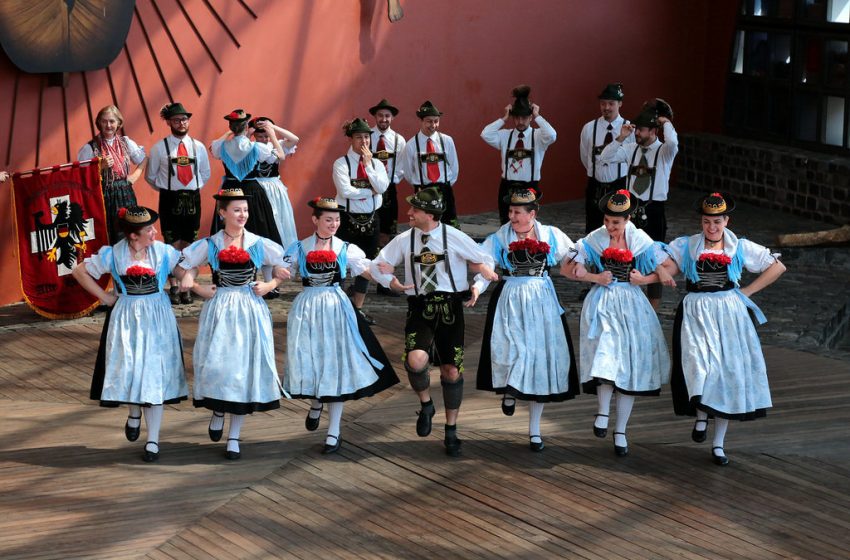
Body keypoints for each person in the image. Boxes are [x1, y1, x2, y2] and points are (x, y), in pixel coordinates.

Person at [370, 187, 497, 457]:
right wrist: (391, 281)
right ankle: (426, 405)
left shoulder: (454, 237)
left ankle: (451, 430)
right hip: (420, 306)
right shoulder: (405, 239)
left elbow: (485, 262)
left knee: (451, 370)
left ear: (429, 214)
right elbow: (377, 265)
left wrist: (477, 287)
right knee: (416, 360)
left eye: (414, 210)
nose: (409, 213)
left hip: (450, 307)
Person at [663, 192, 786, 466]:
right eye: (707, 222)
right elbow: (667, 266)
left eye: (717, 222)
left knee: (726, 372)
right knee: (698, 364)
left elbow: (777, 266)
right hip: (696, 311)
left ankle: (718, 444)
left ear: (726, 221)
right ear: (701, 221)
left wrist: (748, 291)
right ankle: (701, 415)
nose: (712, 228)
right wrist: (659, 272)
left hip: (729, 313)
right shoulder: (688, 245)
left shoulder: (738, 246)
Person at [278, 197, 399, 454]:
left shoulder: (346, 248)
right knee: (311, 360)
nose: (334, 224)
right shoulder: (299, 247)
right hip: (308, 308)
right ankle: (316, 401)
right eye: (328, 219)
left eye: (337, 219)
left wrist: (391, 282)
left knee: (336, 366)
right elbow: (281, 270)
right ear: (315, 220)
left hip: (336, 306)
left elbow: (367, 270)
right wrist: (271, 281)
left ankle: (334, 432)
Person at [178, 187, 288, 460]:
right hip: (221, 307)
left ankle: (234, 437)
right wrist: (195, 285)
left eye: (245, 210)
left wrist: (271, 283)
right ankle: (217, 409)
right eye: (237, 210)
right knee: (219, 364)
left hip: (249, 308)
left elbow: (283, 264)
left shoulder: (257, 243)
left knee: (243, 368)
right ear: (223, 212)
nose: (242, 215)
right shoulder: (211, 243)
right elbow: (183, 265)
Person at [72, 206, 188, 463]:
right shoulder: (114, 254)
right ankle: (134, 412)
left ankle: (153, 441)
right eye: (149, 230)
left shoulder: (163, 252)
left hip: (158, 316)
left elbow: (184, 269)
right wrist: (104, 296)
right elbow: (79, 271)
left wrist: (189, 279)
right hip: (126, 317)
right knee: (132, 369)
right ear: (133, 236)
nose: (154, 232)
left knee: (154, 374)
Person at [563, 189, 673, 457]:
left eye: (616, 222)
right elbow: (568, 268)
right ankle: (602, 411)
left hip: (632, 303)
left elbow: (666, 267)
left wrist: (644, 280)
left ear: (627, 220)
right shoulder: (595, 239)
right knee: (605, 350)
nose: (610, 227)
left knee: (628, 365)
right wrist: (590, 276)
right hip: (603, 300)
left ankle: (621, 429)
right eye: (607, 221)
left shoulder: (640, 239)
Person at [470, 189, 578, 451]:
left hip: (541, 301)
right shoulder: (500, 237)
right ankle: (510, 390)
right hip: (510, 298)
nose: (512, 216)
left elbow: (574, 256)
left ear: (532, 214)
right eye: (510, 211)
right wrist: (477, 287)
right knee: (511, 350)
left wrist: (587, 271)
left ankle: (535, 431)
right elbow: (481, 262)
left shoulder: (551, 234)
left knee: (538, 360)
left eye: (517, 212)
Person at [598, 101, 678, 309]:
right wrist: (622, 137)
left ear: (653, 130)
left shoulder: (664, 152)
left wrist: (666, 123)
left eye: (641, 130)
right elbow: (605, 158)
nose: (637, 134)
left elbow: (673, 144)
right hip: (630, 210)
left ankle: (653, 310)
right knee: (627, 254)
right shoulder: (630, 148)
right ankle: (628, 303)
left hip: (654, 209)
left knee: (655, 259)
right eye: (636, 129)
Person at [210, 109, 286, 296]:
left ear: (230, 127)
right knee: (263, 233)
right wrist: (271, 134)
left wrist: (232, 132)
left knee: (229, 233)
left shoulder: (222, 146)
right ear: (246, 128)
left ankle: (229, 277)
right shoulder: (256, 148)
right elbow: (280, 155)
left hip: (229, 190)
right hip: (252, 192)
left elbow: (213, 147)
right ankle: (269, 285)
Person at [145, 102, 211, 305]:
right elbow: (150, 176)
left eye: (184, 119)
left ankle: (187, 286)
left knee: (190, 244)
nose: (181, 123)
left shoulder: (198, 146)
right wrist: (167, 189)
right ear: (169, 122)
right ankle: (174, 285)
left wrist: (192, 187)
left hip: (192, 197)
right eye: (176, 120)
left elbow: (205, 173)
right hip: (169, 198)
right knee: (171, 244)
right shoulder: (159, 148)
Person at [332, 117, 390, 324]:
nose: (364, 142)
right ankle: (337, 307)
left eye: (366, 137)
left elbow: (383, 188)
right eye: (359, 137)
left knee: (367, 264)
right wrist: (370, 191)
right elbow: (345, 191)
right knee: (341, 263)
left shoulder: (376, 164)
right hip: (346, 219)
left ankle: (358, 309)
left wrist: (368, 166)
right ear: (350, 139)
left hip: (372, 220)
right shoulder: (341, 163)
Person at [481, 85, 557, 225]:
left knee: (526, 224)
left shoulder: (539, 136)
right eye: (516, 118)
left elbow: (552, 135)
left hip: (529, 187)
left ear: (530, 117)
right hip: (507, 187)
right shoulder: (505, 136)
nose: (520, 122)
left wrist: (538, 116)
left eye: (524, 117)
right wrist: (504, 118)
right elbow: (485, 134)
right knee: (506, 223)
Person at [77, 105, 146, 244]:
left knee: (130, 233)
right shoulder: (90, 147)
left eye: (112, 121)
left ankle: (130, 265)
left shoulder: (126, 142)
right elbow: (81, 175)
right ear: (99, 123)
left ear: (118, 123)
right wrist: (99, 167)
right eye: (104, 121)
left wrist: (134, 176)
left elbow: (144, 159)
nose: (108, 125)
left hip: (125, 192)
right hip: (103, 194)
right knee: (108, 235)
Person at [579, 83, 633, 234]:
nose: (606, 107)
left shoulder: (629, 128)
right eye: (603, 103)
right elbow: (585, 156)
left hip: (620, 184)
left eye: (611, 103)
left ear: (620, 104)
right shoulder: (589, 128)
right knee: (593, 227)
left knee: (619, 228)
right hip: (595, 186)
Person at [400, 101, 460, 227]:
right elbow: (408, 173)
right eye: (429, 121)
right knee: (425, 226)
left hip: (444, 189)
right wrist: (420, 186)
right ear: (421, 121)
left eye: (436, 121)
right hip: (422, 190)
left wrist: (445, 185)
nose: (433, 125)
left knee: (449, 226)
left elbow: (454, 168)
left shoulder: (447, 141)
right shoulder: (411, 145)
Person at [250, 115, 300, 250]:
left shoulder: (277, 145)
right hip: (256, 187)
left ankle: (283, 252)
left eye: (266, 136)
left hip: (275, 188)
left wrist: (273, 129)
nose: (264, 140)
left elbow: (295, 139)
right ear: (254, 135)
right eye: (260, 136)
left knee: (281, 218)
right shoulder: (250, 147)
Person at [369, 99, 406, 253]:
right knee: (371, 219)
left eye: (387, 116)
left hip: (390, 187)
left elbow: (401, 166)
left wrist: (391, 181)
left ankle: (387, 251)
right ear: (375, 117)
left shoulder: (399, 140)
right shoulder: (367, 136)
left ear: (392, 118)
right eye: (380, 116)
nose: (383, 119)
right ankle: (371, 249)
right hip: (369, 187)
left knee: (388, 221)